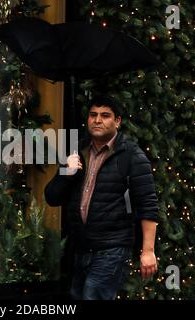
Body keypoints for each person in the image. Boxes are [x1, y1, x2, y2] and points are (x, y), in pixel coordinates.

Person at [44, 96, 160, 300]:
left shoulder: (131, 155)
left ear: (117, 121)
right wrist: (66, 174)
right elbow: (52, 198)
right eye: (93, 115)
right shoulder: (77, 152)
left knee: (92, 296)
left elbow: (147, 204)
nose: (97, 120)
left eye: (105, 116)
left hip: (112, 248)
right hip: (80, 248)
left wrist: (148, 251)